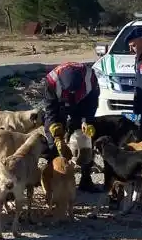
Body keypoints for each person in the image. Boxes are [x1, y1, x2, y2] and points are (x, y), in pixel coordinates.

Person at [42, 61, 100, 192]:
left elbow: (92, 104)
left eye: (75, 91)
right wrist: (57, 135)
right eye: (70, 91)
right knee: (53, 144)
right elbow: (51, 110)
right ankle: (54, 179)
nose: (72, 93)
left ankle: (86, 180)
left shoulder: (90, 79)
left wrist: (86, 121)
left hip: (81, 106)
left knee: (85, 143)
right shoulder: (52, 81)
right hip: (59, 106)